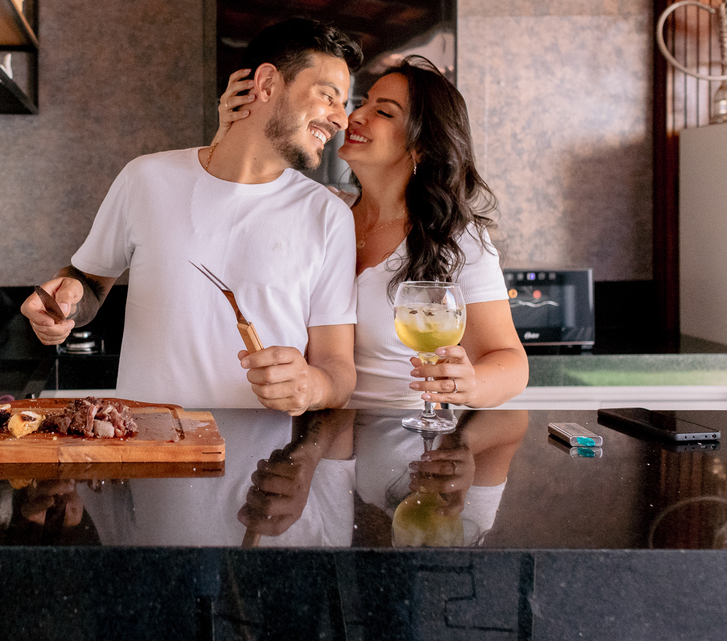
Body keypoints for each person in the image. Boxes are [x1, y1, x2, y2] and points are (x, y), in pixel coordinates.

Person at [21, 18, 364, 415]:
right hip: (149, 445)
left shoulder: (329, 216)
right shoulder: (146, 178)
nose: (341, 119)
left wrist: (313, 385)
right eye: (328, 96)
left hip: (269, 451)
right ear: (267, 83)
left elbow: (338, 371)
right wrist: (64, 304)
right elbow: (89, 287)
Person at [215, 55, 528, 408]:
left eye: (383, 112)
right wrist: (232, 136)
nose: (354, 116)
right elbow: (228, 207)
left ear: (422, 147)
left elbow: (511, 363)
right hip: (307, 428)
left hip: (399, 434)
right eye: (363, 103)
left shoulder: (455, 238)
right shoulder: (322, 211)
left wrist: (469, 384)